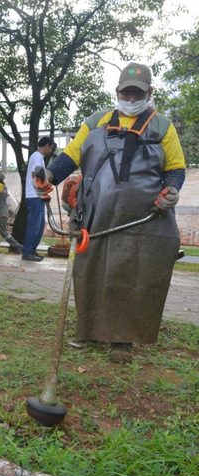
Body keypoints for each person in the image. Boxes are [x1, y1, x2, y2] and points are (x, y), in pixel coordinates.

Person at [34, 62, 186, 363]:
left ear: (149, 92)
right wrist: (50, 175)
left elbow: (176, 169)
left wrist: (171, 190)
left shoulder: (162, 126)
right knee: (90, 270)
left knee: (132, 274)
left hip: (143, 217)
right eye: (126, 93)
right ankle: (89, 330)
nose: (131, 98)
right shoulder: (97, 121)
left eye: (137, 93)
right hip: (96, 213)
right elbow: (71, 156)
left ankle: (122, 340)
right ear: (117, 91)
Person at [22, 137, 55, 261]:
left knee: (40, 226)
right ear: (46, 145)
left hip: (38, 195)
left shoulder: (39, 157)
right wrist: (47, 182)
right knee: (35, 226)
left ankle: (31, 250)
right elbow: (36, 174)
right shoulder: (36, 156)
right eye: (50, 147)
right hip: (34, 195)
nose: (51, 150)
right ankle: (27, 252)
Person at [0, 172, 22, 253]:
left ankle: (17, 246)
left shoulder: (0, 186)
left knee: (3, 232)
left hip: (2, 213)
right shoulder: (0, 187)